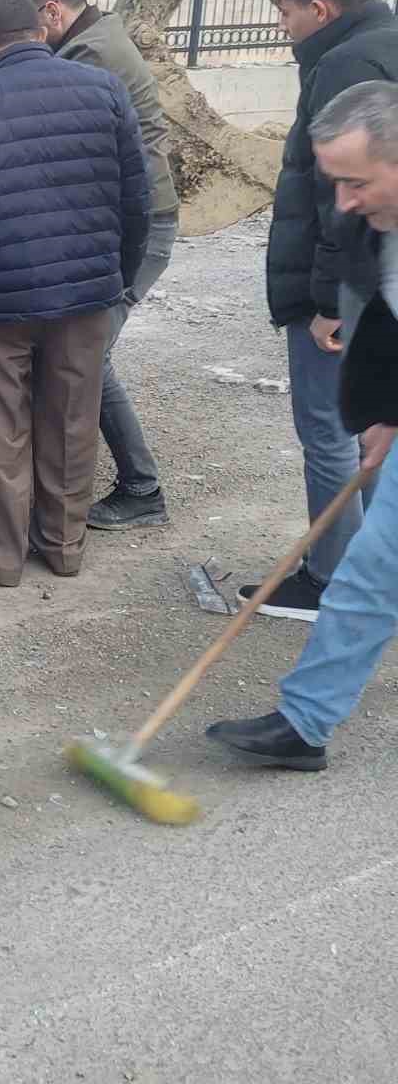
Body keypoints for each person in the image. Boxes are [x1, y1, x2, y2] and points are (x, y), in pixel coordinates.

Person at [0, 0, 150, 587]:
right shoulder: (105, 91)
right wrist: (117, 277)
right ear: (41, 32)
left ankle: (0, 556)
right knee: (73, 417)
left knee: (0, 424)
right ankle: (64, 546)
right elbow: (136, 199)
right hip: (88, 294)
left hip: (0, 302)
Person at [208, 82, 398, 770]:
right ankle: (305, 724)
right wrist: (381, 415)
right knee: (373, 569)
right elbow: (377, 324)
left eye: (355, 183)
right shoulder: (372, 223)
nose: (341, 202)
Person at [7, 0, 178, 532]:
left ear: (52, 13)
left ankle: (142, 489)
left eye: (30, 27)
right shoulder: (91, 41)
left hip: (138, 227)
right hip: (128, 221)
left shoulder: (89, 58)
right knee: (80, 353)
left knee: (89, 355)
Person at [256, 0, 398, 619]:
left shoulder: (344, 64)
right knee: (373, 423)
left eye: (286, 14)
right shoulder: (387, 42)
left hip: (348, 287)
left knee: (328, 427)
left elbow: (333, 195)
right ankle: (375, 569)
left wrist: (325, 302)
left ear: (318, 5)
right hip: (380, 275)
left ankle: (332, 578)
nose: (284, 30)